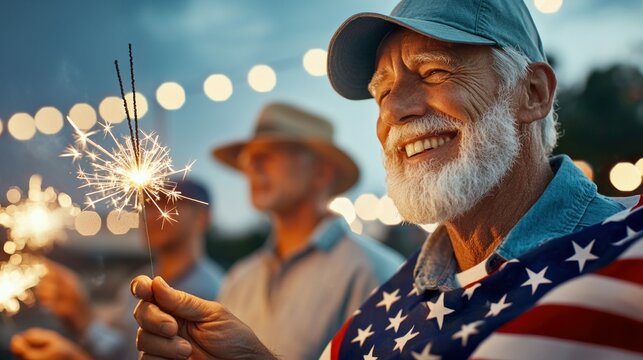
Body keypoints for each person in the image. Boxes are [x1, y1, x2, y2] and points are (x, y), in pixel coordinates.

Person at [129, 0, 643, 359]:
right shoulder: (382, 315)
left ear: (532, 93)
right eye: (382, 91)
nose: (394, 110)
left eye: (435, 72)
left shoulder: (627, 261)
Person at [212, 102, 403, 360]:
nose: (252, 166)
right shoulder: (238, 280)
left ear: (322, 172)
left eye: (269, 153)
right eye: (249, 157)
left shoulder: (371, 272)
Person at [12, 178, 224, 360]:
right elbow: (119, 346)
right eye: (147, 205)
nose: (150, 214)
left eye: (167, 204)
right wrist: (77, 311)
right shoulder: (137, 280)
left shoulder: (213, 293)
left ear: (202, 217)